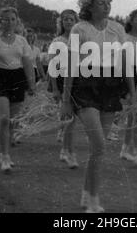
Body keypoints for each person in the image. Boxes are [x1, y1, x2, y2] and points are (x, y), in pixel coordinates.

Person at [60, 0, 136, 213]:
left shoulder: (118, 29)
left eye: (108, 2)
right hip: (85, 86)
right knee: (100, 145)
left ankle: (87, 194)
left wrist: (132, 93)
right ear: (89, 6)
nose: (107, 6)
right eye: (101, 2)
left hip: (111, 86)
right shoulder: (79, 28)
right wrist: (66, 99)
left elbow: (125, 63)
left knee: (98, 151)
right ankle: (93, 200)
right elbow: (72, 65)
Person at [0, 7, 35, 173]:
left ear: (16, 21)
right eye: (5, 19)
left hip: (17, 78)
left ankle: (7, 152)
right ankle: (4, 156)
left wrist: (31, 84)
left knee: (13, 122)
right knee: (4, 119)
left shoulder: (22, 41)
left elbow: (27, 64)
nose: (9, 22)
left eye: (12, 19)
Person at [49, 9, 79, 168]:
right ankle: (68, 152)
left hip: (76, 80)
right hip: (61, 80)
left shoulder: (80, 40)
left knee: (71, 120)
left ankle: (65, 150)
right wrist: (54, 88)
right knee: (69, 119)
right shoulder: (57, 41)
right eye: (65, 19)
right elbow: (52, 65)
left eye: (71, 19)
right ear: (61, 22)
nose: (68, 22)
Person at [120, 8, 137, 166]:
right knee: (135, 115)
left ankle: (126, 148)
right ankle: (135, 150)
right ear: (131, 21)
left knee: (136, 115)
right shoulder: (126, 39)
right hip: (129, 78)